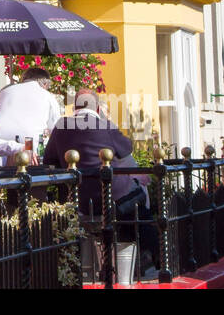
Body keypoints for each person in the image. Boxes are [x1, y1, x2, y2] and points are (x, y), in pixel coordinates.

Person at [42, 89, 152, 283]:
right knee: (139, 193)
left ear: (74, 107)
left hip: (77, 200)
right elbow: (127, 149)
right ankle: (144, 254)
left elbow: (48, 160)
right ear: (98, 108)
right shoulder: (105, 125)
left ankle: (98, 266)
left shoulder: (61, 127)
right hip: (111, 198)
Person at [0, 67, 63, 150]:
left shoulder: (4, 91)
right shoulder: (48, 96)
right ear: (45, 84)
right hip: (28, 147)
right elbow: (56, 131)